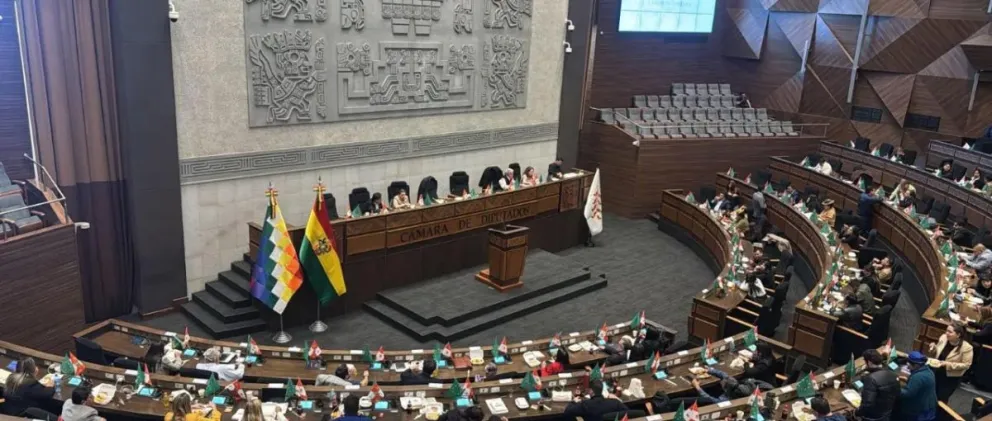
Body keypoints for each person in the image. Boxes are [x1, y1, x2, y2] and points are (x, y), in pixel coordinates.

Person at [928, 323, 973, 402]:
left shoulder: (967, 348)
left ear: (958, 335)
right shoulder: (943, 338)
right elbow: (936, 354)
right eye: (946, 330)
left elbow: (966, 365)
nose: (946, 333)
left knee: (941, 399)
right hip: (936, 371)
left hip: (950, 377)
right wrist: (933, 348)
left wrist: (947, 364)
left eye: (950, 332)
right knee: (929, 394)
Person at [856, 349, 898, 421]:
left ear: (869, 362)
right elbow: (898, 394)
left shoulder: (871, 378)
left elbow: (867, 404)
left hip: (872, 417)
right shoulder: (893, 374)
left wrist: (857, 412)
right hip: (886, 415)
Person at [563, 379, 628, 421]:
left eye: (588, 390)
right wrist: (617, 399)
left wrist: (573, 402)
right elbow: (629, 413)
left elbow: (567, 411)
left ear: (591, 391)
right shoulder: (615, 403)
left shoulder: (585, 404)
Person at [900, 351, 937, 421]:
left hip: (919, 411)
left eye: (909, 363)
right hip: (929, 406)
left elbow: (907, 394)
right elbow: (921, 384)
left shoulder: (917, 377)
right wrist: (907, 380)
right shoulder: (929, 371)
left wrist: (894, 388)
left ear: (916, 365)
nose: (907, 366)